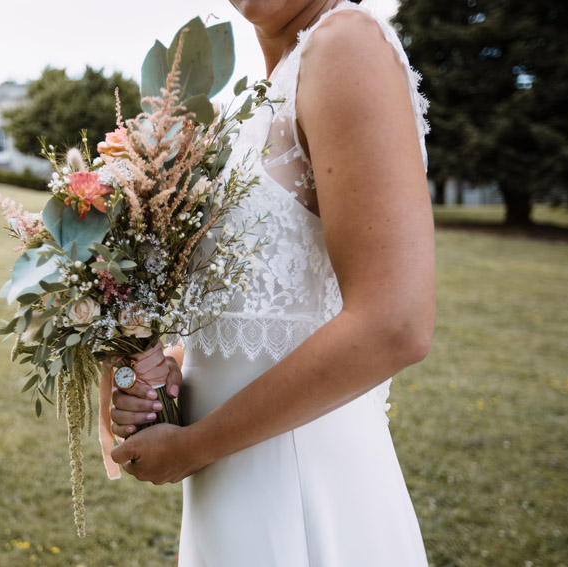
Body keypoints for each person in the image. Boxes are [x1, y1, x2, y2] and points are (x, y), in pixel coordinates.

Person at [110, 0, 435, 564]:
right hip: (231, 492)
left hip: (306, 486)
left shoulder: (344, 45)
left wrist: (191, 447)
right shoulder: (250, 98)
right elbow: (265, 314)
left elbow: (395, 324)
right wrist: (164, 372)